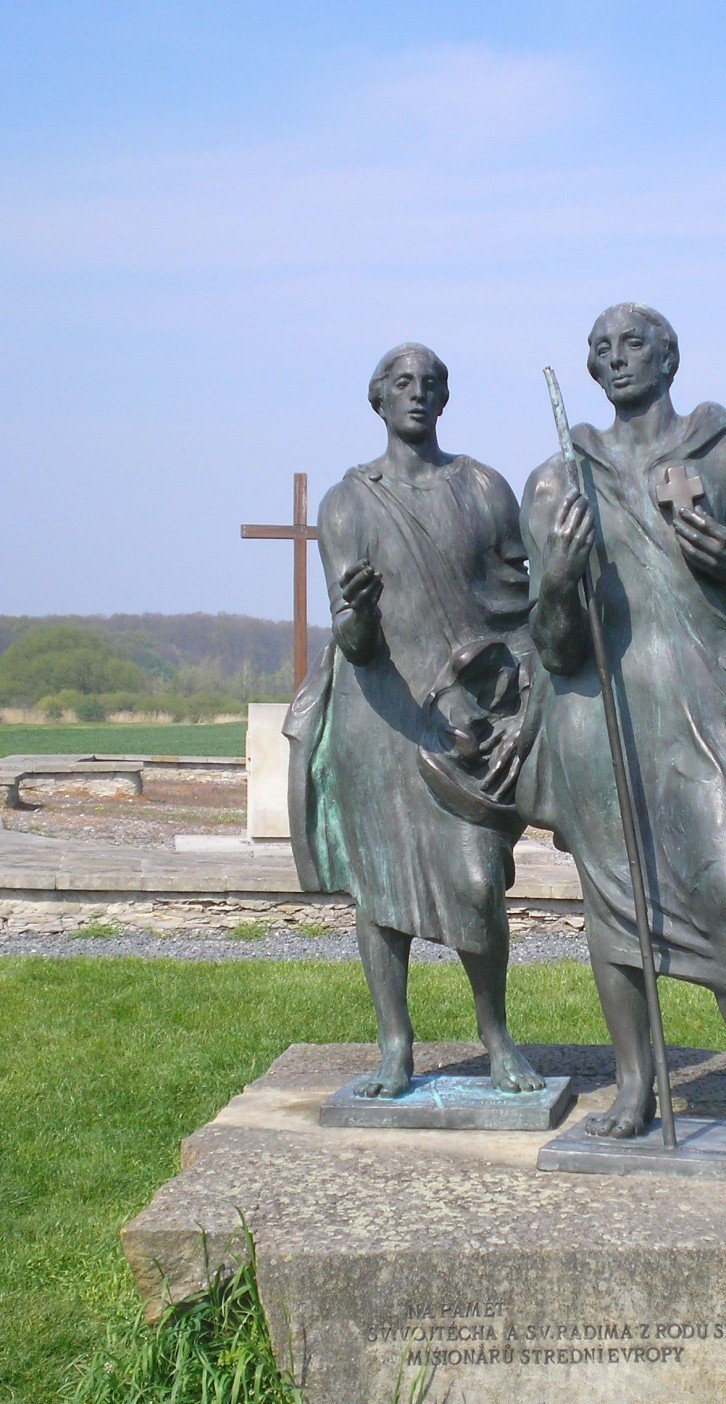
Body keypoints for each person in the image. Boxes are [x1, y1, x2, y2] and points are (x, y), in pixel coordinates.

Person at [517, 304, 726, 1144]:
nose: (616, 361)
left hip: (701, 704)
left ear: (669, 357)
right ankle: (632, 1083)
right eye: (600, 350)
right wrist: (557, 582)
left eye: (633, 345)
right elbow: (553, 649)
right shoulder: (556, 481)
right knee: (616, 912)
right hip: (601, 713)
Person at [286, 343, 542, 1098]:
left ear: (445, 398)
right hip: (379, 715)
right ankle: (395, 1046)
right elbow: (356, 645)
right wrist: (355, 614)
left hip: (464, 720)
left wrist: (519, 687)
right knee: (381, 894)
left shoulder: (485, 488)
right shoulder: (347, 504)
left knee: (476, 881)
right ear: (378, 399)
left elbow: (520, 609)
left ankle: (495, 1036)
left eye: (431, 384)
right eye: (403, 384)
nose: (418, 394)